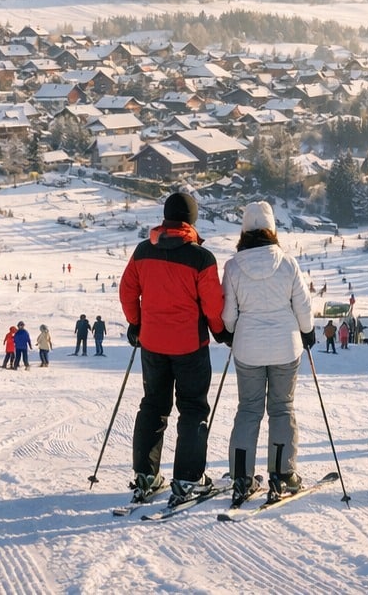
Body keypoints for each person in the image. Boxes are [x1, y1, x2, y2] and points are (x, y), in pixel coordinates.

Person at [121, 191, 229, 508]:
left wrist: (135, 323)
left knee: (153, 406)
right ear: (191, 220)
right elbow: (213, 305)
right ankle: (188, 478)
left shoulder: (143, 251)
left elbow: (127, 292)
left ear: (165, 218)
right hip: (189, 345)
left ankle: (145, 476)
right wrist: (221, 331)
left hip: (152, 344)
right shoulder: (201, 258)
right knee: (193, 408)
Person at [220, 200, 315, 506]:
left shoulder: (234, 266)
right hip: (286, 347)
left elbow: (228, 315)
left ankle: (241, 477)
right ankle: (282, 473)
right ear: (273, 228)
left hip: (248, 348)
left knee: (248, 410)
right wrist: (308, 331)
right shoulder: (287, 263)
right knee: (281, 408)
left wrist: (231, 332)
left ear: (244, 230)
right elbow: (303, 305)